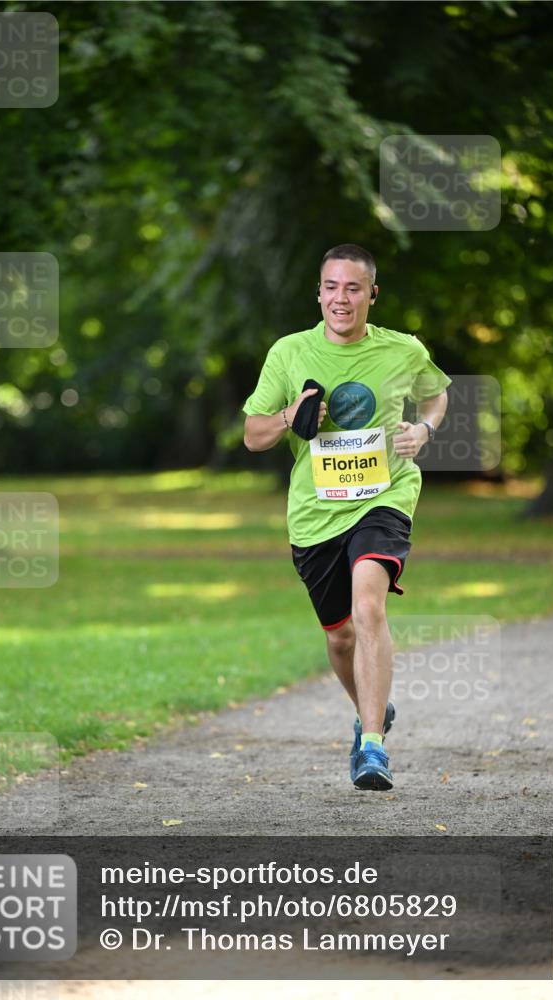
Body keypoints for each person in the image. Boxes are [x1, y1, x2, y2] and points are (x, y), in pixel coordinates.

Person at [242, 244, 450, 790]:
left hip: (384, 497)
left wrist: (423, 430)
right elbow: (253, 434)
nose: (341, 298)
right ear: (318, 292)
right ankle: (371, 711)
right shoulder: (289, 353)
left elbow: (437, 396)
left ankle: (373, 748)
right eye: (332, 286)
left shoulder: (403, 350)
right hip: (314, 515)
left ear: (371, 295)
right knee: (339, 639)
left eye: (353, 288)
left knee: (368, 607)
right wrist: (293, 415)